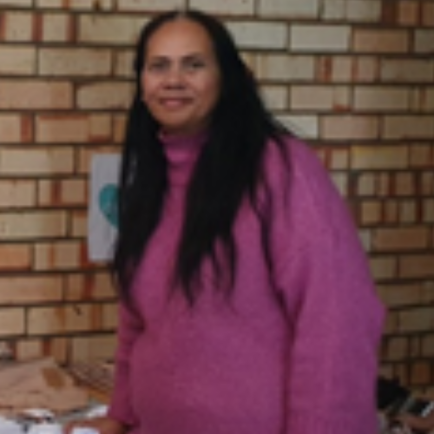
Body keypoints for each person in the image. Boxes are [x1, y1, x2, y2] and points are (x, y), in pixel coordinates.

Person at [67, 9, 385, 434]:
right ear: (141, 84)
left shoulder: (282, 170)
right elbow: (136, 321)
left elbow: (337, 321)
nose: (173, 80)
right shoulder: (148, 179)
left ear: (226, 78)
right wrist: (120, 416)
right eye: (158, 66)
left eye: (193, 65)